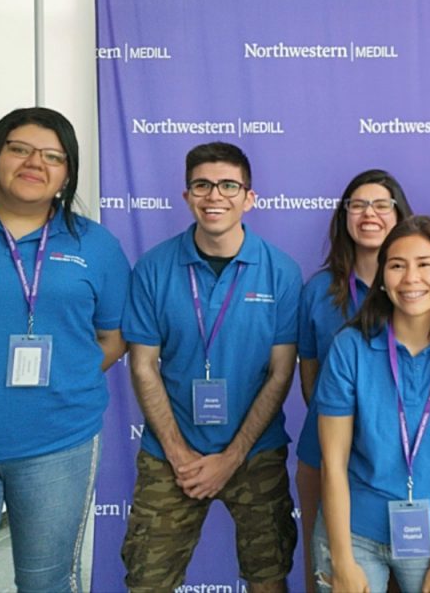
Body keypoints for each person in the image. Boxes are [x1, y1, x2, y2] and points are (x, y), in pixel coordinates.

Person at [0, 107, 130, 592]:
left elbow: (113, 338)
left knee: (47, 583)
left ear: (67, 173)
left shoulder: (96, 245)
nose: (34, 163)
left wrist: (65, 377)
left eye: (52, 156)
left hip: (57, 443)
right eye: (19, 149)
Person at [120, 142, 302, 592]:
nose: (214, 195)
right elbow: (143, 366)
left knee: (268, 578)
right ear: (187, 197)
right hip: (170, 454)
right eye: (201, 185)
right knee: (147, 581)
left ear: (249, 197)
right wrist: (179, 454)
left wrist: (232, 456)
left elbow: (281, 372)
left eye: (228, 185)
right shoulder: (153, 268)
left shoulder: (281, 271)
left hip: (255, 453)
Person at [314, 215, 430, 593]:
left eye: (425, 264)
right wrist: (342, 560)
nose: (411, 278)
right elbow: (332, 463)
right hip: (353, 532)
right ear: (382, 278)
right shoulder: (350, 347)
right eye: (397, 266)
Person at [296, 170, 412, 591]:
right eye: (357, 205)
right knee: (329, 573)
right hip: (325, 457)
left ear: (399, 215)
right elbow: (310, 378)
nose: (369, 214)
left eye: (381, 205)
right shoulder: (318, 291)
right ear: (343, 216)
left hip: (399, 461)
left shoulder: (418, 288)